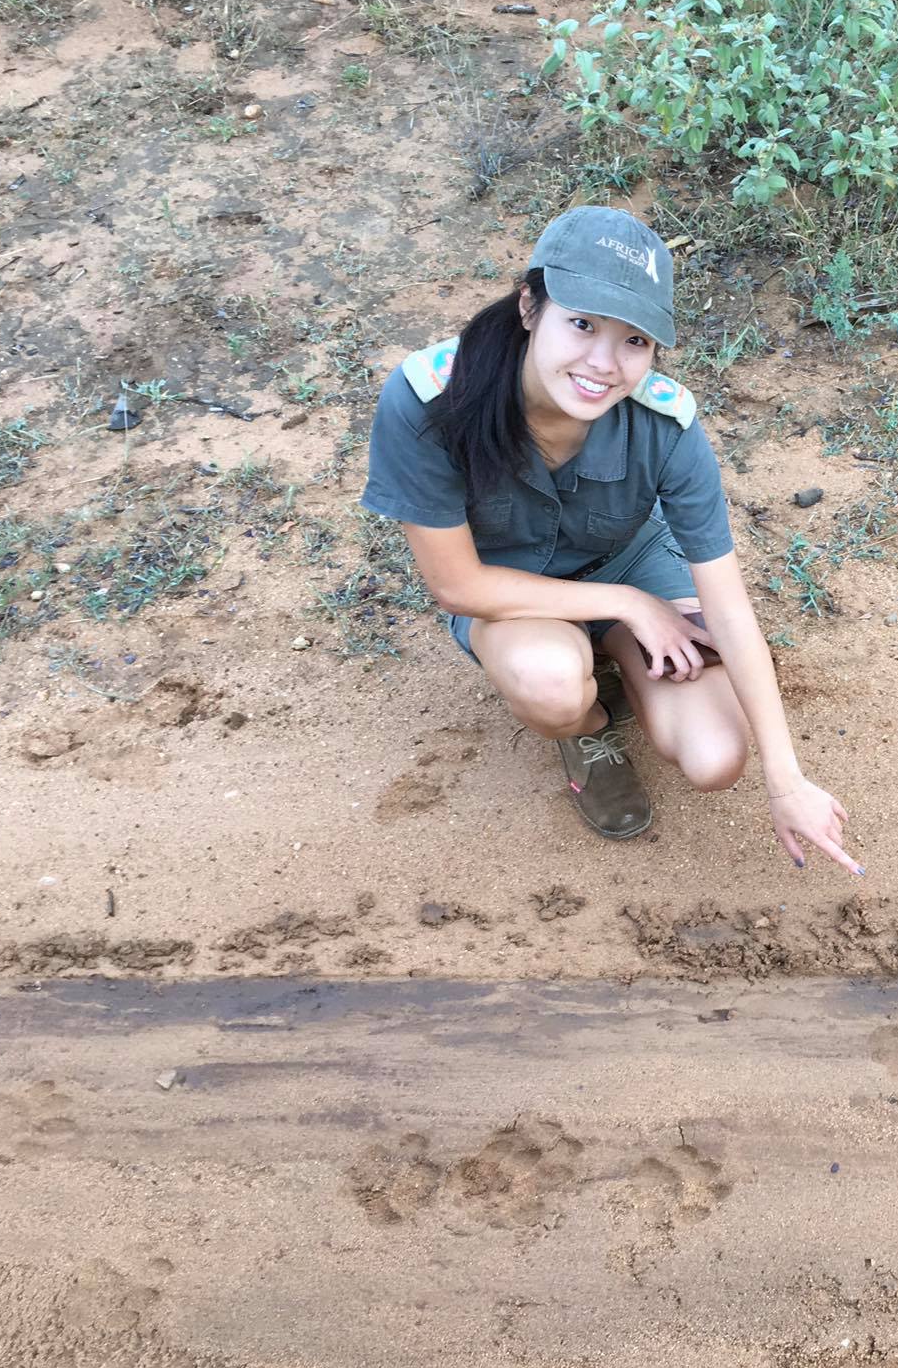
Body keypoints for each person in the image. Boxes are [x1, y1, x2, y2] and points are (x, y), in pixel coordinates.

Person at [360, 206, 861, 874]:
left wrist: (787, 780)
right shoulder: (430, 399)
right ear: (530, 305)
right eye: (583, 323)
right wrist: (630, 604)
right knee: (552, 683)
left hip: (632, 558)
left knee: (716, 758)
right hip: (510, 596)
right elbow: (457, 584)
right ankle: (589, 732)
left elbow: (730, 608)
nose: (604, 363)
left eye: (634, 340)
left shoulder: (666, 421)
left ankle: (623, 655)